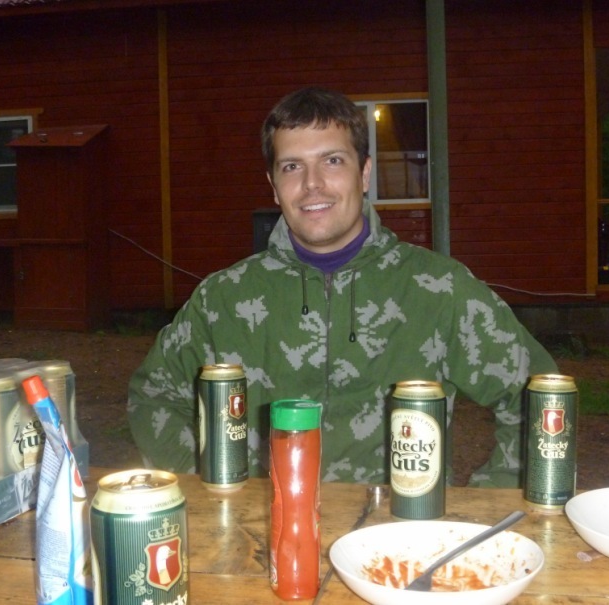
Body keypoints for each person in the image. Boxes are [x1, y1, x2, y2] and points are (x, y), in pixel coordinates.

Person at [127, 87, 558, 487]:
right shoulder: (222, 300)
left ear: (364, 173)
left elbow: (540, 398)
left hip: (397, 534)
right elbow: (153, 397)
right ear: (274, 187)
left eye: (332, 161)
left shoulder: (438, 289)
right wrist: (213, 489)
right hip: (263, 533)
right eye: (292, 166)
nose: (312, 183)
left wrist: (486, 504)